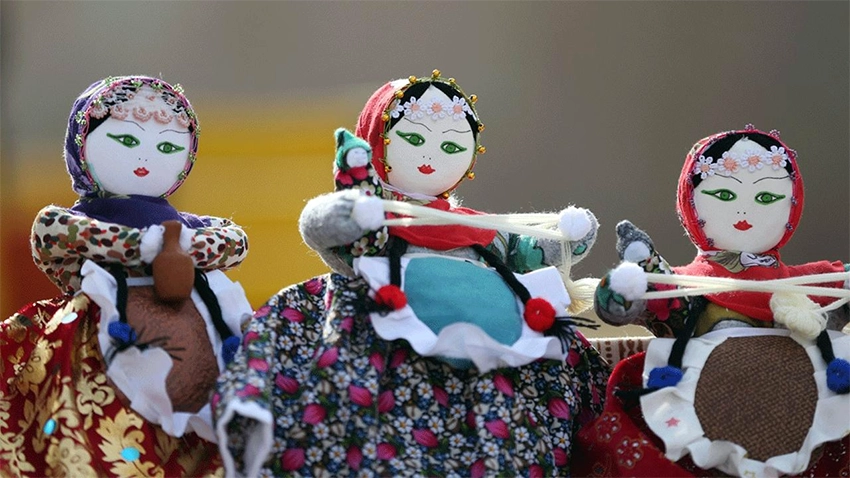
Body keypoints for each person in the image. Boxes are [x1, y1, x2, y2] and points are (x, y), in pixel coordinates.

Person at [213, 70, 609, 477]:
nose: (431, 156)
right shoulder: (377, 220)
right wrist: (351, 212)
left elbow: (526, 252)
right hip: (386, 339)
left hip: (496, 348)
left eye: (452, 145)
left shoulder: (475, 227)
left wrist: (566, 239)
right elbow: (324, 227)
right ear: (376, 140)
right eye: (415, 139)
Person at [0, 76, 251, 476]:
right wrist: (147, 247)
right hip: (100, 332)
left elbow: (235, 242)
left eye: (167, 147)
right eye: (128, 141)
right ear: (82, 145)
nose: (147, 158)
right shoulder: (76, 221)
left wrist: (176, 246)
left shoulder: (189, 227)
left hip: (194, 328)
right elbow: (52, 234)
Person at [578, 126, 850, 477]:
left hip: (804, 419)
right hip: (694, 418)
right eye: (723, 194)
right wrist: (627, 287)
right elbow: (634, 301)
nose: (744, 212)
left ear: (792, 204)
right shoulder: (683, 289)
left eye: (766, 198)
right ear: (691, 202)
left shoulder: (810, 283)